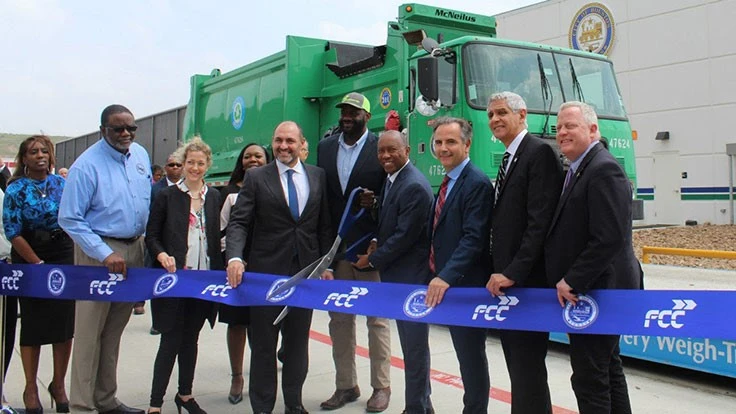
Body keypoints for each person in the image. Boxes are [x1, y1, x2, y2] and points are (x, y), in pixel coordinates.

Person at [226, 121, 332, 414]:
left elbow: (323, 226)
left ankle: (294, 404)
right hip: (266, 277)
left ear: (301, 144)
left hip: (305, 277)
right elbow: (239, 222)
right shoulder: (257, 178)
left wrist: (326, 265)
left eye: (289, 141)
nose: (283, 146)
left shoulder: (318, 176)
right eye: (278, 141)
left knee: (298, 346)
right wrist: (235, 257)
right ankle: (262, 407)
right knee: (263, 347)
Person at [545, 101, 641, 414]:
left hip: (600, 290)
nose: (561, 132)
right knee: (608, 370)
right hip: (597, 289)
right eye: (559, 127)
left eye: (570, 126)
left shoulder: (603, 169)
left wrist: (572, 279)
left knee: (590, 378)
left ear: (593, 129)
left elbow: (609, 237)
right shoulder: (580, 168)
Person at [59, 104, 150, 414]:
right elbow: (70, 218)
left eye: (131, 128)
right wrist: (105, 252)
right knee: (89, 334)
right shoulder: (86, 166)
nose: (125, 134)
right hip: (99, 253)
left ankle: (106, 399)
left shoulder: (140, 156)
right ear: (103, 130)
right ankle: (82, 406)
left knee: (113, 332)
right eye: (117, 129)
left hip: (133, 250)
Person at [485, 92, 562, 414]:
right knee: (518, 367)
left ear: (522, 114)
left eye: (502, 112)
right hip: (508, 284)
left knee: (527, 368)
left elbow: (539, 224)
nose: (495, 120)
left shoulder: (539, 153)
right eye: (490, 115)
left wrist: (513, 271)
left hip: (526, 283)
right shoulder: (509, 157)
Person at [316, 92, 391, 412]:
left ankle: (381, 386)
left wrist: (375, 206)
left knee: (377, 319)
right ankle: (346, 385)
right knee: (339, 319)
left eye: (353, 111)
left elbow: (394, 195)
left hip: (369, 248)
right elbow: (323, 200)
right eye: (344, 110)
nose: (346, 115)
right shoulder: (325, 148)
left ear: (367, 117)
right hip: (337, 249)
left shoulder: (381, 148)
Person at [353, 130, 434, 414]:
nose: (385, 156)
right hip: (398, 277)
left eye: (392, 150)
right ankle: (423, 405)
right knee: (412, 347)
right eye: (381, 152)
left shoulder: (413, 185)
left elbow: (404, 236)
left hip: (410, 279)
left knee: (414, 348)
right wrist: (376, 241)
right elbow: (390, 225)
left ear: (407, 150)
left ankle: (417, 407)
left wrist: (371, 262)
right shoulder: (392, 180)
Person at [145, 137, 222, 414]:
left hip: (202, 282)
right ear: (183, 163)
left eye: (201, 163)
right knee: (170, 340)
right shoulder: (167, 196)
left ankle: (185, 395)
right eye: (191, 162)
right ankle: (155, 403)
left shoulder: (213, 196)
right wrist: (161, 254)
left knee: (191, 340)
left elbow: (215, 236)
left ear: (208, 165)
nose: (195, 168)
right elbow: (151, 235)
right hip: (175, 280)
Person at [424, 117, 493, 414]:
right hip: (448, 283)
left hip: (465, 285)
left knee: (471, 356)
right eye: (438, 142)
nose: (443, 148)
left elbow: (473, 239)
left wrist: (445, 276)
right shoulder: (449, 180)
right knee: (464, 354)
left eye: (451, 142)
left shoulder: (475, 182)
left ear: (467, 144)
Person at [2, 135, 75, 414]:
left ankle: (58, 384)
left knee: (63, 324)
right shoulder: (16, 188)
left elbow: (73, 217)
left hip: (62, 253)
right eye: (33, 151)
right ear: (24, 158)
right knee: (33, 324)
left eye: (45, 150)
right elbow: (13, 231)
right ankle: (30, 387)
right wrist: (36, 263)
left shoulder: (61, 184)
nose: (40, 155)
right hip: (30, 255)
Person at [217, 142, 271, 405]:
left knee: (263, 325)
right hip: (237, 268)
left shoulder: (274, 189)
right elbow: (221, 232)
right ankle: (237, 376)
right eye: (247, 156)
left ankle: (261, 377)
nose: (253, 160)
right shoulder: (228, 193)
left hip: (266, 267)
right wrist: (232, 260)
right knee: (237, 322)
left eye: (258, 156)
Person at [138, 153, 184, 321]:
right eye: (171, 165)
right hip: (159, 243)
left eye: (178, 165)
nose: (175, 168)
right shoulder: (157, 189)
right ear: (166, 168)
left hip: (181, 243)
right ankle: (156, 319)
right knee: (155, 277)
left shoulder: (188, 189)